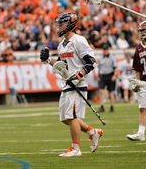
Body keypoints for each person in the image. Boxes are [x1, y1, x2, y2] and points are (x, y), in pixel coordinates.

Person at [40, 12, 103, 157]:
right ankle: (93, 132)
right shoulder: (62, 44)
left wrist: (79, 75)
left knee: (72, 115)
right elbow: (61, 65)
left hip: (78, 84)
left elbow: (91, 62)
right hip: (67, 84)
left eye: (61, 23)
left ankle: (76, 148)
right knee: (65, 118)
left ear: (70, 24)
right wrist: (48, 60)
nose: (59, 26)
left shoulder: (79, 40)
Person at [97, 44, 119, 113]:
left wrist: (114, 75)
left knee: (110, 92)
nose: (105, 51)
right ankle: (101, 106)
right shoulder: (101, 58)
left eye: (106, 50)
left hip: (110, 75)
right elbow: (99, 68)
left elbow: (115, 67)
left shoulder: (112, 58)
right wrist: (98, 76)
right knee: (101, 91)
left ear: (108, 50)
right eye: (104, 50)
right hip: (102, 76)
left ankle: (112, 106)